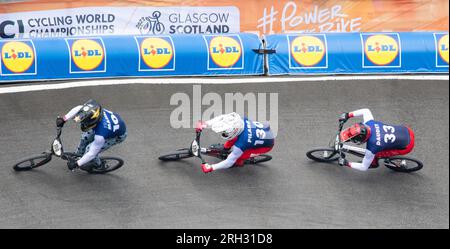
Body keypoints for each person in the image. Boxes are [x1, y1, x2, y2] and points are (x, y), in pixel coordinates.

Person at [55, 99, 127, 171]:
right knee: (84, 138)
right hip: (108, 125)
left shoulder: (100, 135)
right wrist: (64, 119)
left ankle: (99, 165)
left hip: (116, 136)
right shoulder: (92, 110)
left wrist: (77, 164)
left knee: (89, 149)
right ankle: (78, 155)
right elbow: (79, 109)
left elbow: (92, 153)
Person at [338, 108, 415, 171]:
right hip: (407, 131)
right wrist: (348, 115)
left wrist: (347, 163)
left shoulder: (372, 146)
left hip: (407, 146)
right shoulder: (370, 123)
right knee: (378, 149)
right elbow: (366, 111)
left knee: (376, 154)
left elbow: (364, 167)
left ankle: (373, 164)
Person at [195, 112, 274, 173]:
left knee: (237, 157)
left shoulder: (243, 143)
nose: (223, 133)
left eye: (225, 132)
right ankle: (226, 148)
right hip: (263, 131)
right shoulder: (239, 121)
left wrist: (212, 167)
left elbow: (229, 162)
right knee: (234, 138)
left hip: (266, 145)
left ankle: (239, 162)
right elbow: (222, 118)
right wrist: (205, 124)